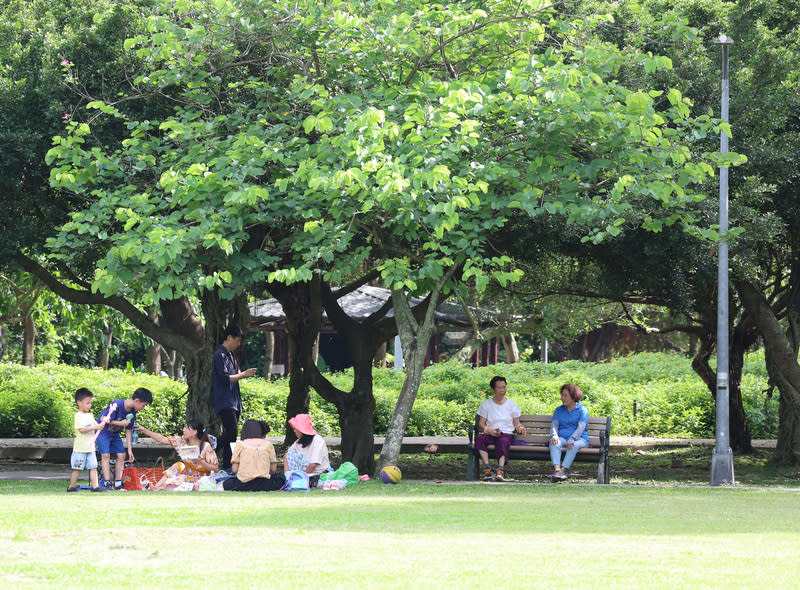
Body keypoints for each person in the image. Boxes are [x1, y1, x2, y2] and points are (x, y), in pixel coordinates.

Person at [213, 324, 258, 472]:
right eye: (237, 340)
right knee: (232, 432)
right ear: (229, 338)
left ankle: (227, 465)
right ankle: (208, 449)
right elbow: (225, 378)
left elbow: (234, 376)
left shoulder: (231, 355)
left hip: (234, 401)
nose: (239, 344)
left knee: (231, 435)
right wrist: (243, 374)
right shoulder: (219, 355)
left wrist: (241, 374)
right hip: (224, 401)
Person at [137, 418, 219, 491]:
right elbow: (162, 439)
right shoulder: (181, 442)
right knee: (178, 465)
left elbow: (216, 469)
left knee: (176, 481)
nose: (183, 430)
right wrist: (144, 430)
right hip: (186, 475)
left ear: (195, 432)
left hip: (201, 480)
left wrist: (201, 462)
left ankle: (163, 487)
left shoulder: (206, 447)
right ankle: (156, 487)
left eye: (187, 428)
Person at [96, 387, 153, 490]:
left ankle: (118, 483)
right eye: (144, 405)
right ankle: (107, 482)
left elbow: (128, 430)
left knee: (122, 455)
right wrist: (120, 423)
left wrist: (130, 450)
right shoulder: (117, 405)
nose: (143, 408)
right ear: (137, 401)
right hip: (103, 431)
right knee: (105, 455)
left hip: (114, 433)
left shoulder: (132, 412)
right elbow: (103, 419)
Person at [474, 375, 526, 482]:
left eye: (504, 387)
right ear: (493, 389)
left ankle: (500, 471)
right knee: (479, 439)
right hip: (491, 433)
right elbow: (481, 424)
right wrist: (490, 430)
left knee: (503, 441)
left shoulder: (512, 404)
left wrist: (520, 427)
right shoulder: (486, 404)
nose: (502, 390)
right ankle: (488, 469)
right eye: (499, 387)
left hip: (506, 433)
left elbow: (517, 424)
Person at [223, 419, 285, 492]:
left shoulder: (240, 444)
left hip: (244, 484)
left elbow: (234, 470)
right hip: (265, 483)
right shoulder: (268, 444)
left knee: (228, 482)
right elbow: (273, 469)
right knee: (280, 477)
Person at [548, 383, 590, 482]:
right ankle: (557, 470)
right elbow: (554, 426)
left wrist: (572, 439)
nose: (563, 398)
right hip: (563, 438)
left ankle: (562, 471)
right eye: (562, 395)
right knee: (554, 443)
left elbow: (581, 428)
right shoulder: (559, 410)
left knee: (573, 445)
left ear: (573, 396)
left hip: (580, 439)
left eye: (565, 395)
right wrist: (554, 436)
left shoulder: (583, 410)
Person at [67, 388, 105, 493]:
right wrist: (96, 428)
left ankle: (95, 486)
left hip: (90, 448)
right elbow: (82, 429)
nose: (90, 405)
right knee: (77, 468)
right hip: (80, 448)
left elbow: (96, 426)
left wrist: (102, 423)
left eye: (90, 403)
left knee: (93, 467)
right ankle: (71, 486)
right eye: (87, 403)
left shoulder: (90, 415)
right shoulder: (78, 416)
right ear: (79, 403)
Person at [283, 414, 330, 488]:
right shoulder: (298, 442)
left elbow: (313, 464)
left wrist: (301, 479)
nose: (294, 431)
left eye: (296, 428)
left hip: (316, 474)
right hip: (303, 473)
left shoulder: (317, 440)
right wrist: (287, 476)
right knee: (288, 454)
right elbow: (287, 454)